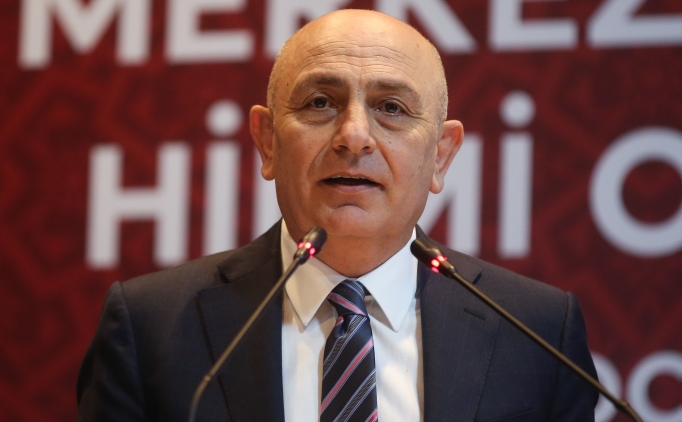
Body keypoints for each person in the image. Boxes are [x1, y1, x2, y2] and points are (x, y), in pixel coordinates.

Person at [77, 9, 598, 422]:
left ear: (440, 155)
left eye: (391, 108)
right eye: (321, 102)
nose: (353, 136)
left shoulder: (538, 334)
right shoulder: (150, 327)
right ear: (267, 141)